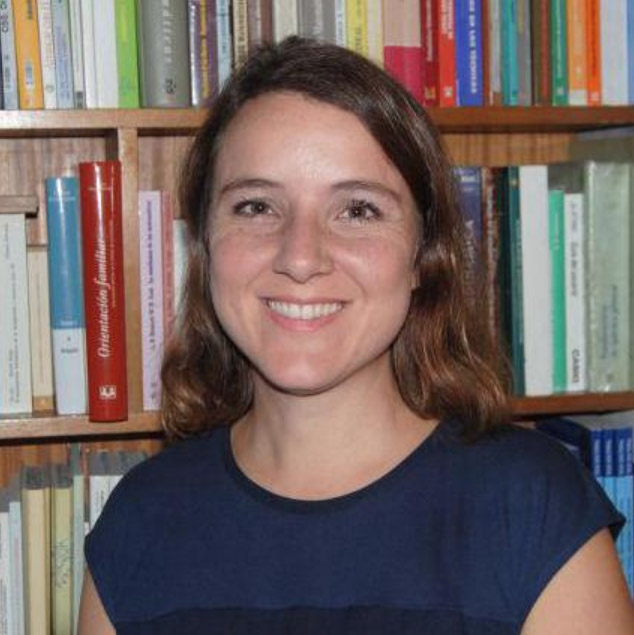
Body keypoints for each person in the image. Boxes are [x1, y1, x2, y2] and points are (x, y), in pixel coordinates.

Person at [78, 38, 633, 634]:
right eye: (257, 206)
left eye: (358, 210)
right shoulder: (139, 520)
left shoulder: (532, 509)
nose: (300, 257)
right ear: (206, 244)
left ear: (423, 256)